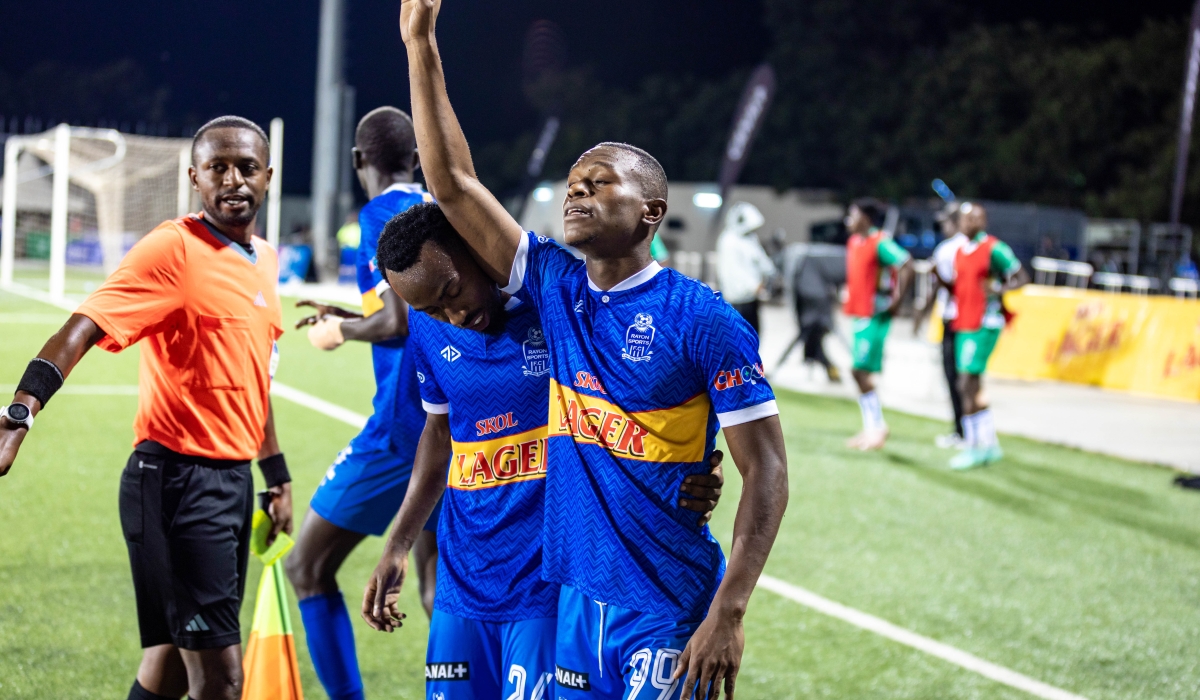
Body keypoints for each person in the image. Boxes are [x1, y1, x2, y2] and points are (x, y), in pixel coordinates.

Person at [394, 3, 791, 698]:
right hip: (575, 606)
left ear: (650, 212)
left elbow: (769, 469)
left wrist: (728, 613)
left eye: (600, 182)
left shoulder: (703, 319)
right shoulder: (555, 289)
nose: (577, 190)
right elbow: (453, 184)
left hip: (667, 605)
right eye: (574, 183)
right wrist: (419, 40)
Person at [359, 202, 727, 698]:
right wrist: (398, 544)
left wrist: (690, 467)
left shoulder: (562, 305)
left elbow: (651, 394)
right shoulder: (428, 321)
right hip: (463, 575)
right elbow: (439, 433)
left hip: (548, 582)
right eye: (433, 310)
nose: (455, 316)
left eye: (452, 292)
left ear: (473, 246)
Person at [0, 116, 292, 700]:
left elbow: (252, 379)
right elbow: (83, 326)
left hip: (232, 481)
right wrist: (21, 410)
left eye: (246, 168)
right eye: (217, 167)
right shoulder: (173, 248)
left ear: (267, 175)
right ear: (194, 178)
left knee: (170, 666)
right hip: (178, 483)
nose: (233, 180)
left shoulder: (263, 257)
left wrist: (275, 474)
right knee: (222, 680)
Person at [285, 106, 440, 700]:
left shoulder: (379, 215)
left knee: (307, 567)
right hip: (452, 419)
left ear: (358, 160)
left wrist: (342, 331)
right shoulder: (436, 206)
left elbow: (396, 321)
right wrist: (351, 313)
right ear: (416, 160)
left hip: (403, 428)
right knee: (437, 585)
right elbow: (417, 310)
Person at [947, 202, 1029, 470]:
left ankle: (972, 446)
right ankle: (989, 443)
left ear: (983, 222)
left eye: (975, 218)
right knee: (973, 386)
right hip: (964, 321)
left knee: (965, 383)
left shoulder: (994, 248)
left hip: (985, 322)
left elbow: (1021, 277)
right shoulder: (960, 250)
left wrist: (998, 289)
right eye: (965, 218)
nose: (969, 222)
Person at [843, 198, 915, 451]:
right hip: (859, 313)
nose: (848, 220)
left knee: (859, 370)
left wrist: (897, 301)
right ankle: (871, 427)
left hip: (874, 314)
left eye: (853, 215)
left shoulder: (880, 242)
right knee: (860, 372)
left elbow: (907, 264)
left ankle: (877, 427)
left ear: (865, 218)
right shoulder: (855, 242)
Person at [929, 204, 968, 448]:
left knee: (955, 376)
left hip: (954, 317)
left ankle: (962, 432)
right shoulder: (970, 246)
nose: (943, 226)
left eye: (945, 222)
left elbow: (944, 285)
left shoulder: (948, 249)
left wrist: (923, 310)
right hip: (969, 319)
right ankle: (967, 431)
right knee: (966, 378)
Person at [715, 202, 776, 336]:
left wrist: (771, 272)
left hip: (751, 299)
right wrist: (754, 286)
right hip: (736, 301)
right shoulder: (729, 241)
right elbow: (734, 270)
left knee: (753, 334)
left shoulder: (750, 239)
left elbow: (761, 259)